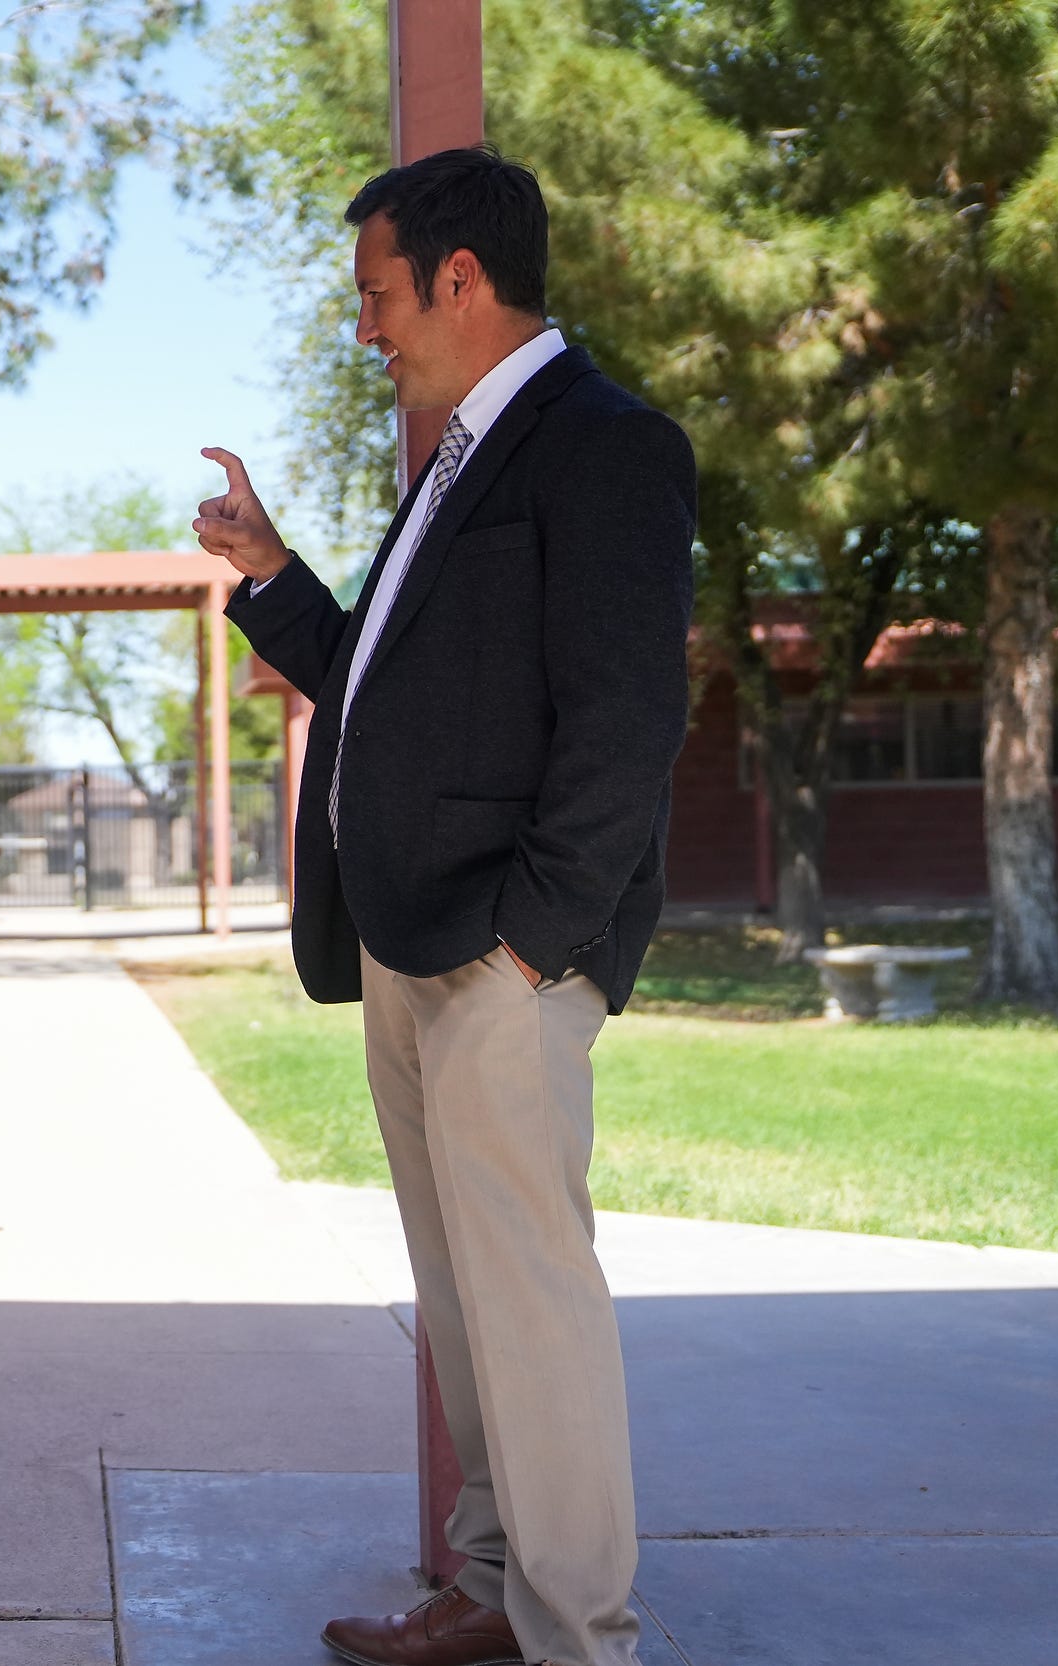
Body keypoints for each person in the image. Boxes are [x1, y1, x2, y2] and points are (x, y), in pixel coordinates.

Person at [194, 146, 695, 1666]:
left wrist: (536, 938)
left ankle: (577, 1635)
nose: (368, 331)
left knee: (531, 1303)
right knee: (466, 1301)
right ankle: (492, 1584)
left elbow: (627, 719)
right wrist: (277, 574)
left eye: (378, 295)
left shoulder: (604, 446)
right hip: (408, 946)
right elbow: (389, 689)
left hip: (503, 958)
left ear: (461, 281)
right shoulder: (451, 462)